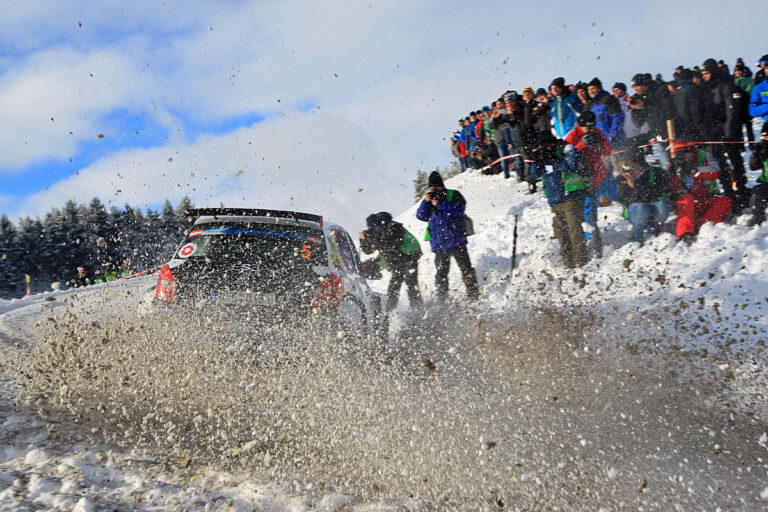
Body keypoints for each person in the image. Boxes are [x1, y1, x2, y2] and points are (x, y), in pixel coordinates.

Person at [416, 171, 479, 302]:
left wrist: (439, 203)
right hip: (439, 244)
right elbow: (421, 216)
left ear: (441, 186)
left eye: (436, 187)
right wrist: (426, 202)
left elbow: (458, 210)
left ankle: (474, 295)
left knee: (466, 269)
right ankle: (442, 300)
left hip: (456, 240)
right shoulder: (429, 201)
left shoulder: (453, 194)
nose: (434, 190)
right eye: (431, 188)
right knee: (441, 274)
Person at [565, 111, 613, 257]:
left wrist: (601, 144)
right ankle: (591, 239)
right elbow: (568, 161)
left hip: (602, 175)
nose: (591, 131)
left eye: (592, 127)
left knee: (622, 194)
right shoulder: (572, 137)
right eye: (588, 128)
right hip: (585, 181)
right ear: (580, 125)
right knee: (590, 212)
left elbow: (608, 151)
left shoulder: (597, 132)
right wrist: (581, 145)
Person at [701, 58, 747, 208]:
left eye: (707, 73)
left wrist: (729, 133)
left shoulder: (726, 85)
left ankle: (742, 190)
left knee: (735, 162)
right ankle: (729, 193)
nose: (704, 76)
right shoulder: (708, 88)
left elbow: (731, 111)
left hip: (729, 133)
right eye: (703, 73)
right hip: (715, 134)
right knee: (720, 164)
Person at [667, 143, 733, 244]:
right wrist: (679, 184)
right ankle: (686, 233)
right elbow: (669, 189)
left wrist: (695, 170)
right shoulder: (674, 167)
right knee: (687, 199)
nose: (688, 154)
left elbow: (715, 172)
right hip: (686, 205)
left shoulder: (701, 159)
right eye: (685, 152)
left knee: (725, 201)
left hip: (703, 201)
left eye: (689, 151)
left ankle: (704, 225)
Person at [540, 138, 588, 268]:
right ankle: (569, 263)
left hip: (570, 196)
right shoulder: (544, 155)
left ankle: (581, 261)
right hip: (555, 200)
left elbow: (572, 166)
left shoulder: (567, 149)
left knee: (574, 230)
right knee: (561, 234)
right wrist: (538, 160)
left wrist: (554, 164)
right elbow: (534, 174)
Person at [360, 212, 423, 311]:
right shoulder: (379, 233)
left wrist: (372, 238)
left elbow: (389, 245)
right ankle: (389, 310)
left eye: (375, 227)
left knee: (411, 284)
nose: (375, 230)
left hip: (410, 257)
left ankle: (418, 310)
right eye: (373, 229)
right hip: (398, 261)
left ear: (380, 224)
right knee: (394, 287)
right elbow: (368, 250)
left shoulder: (395, 228)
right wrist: (363, 240)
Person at [616, 157, 671, 244]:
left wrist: (637, 187)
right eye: (626, 170)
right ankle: (636, 239)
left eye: (632, 170)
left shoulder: (654, 173)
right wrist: (631, 186)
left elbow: (657, 190)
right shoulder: (623, 179)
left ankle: (657, 230)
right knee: (641, 207)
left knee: (662, 206)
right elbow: (621, 197)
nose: (629, 173)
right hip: (636, 211)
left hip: (654, 206)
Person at [629, 72, 675, 169]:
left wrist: (646, 105)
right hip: (657, 134)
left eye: (637, 86)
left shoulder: (659, 90)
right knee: (667, 167)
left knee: (676, 163)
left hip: (670, 131)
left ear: (644, 84)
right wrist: (637, 109)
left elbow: (666, 110)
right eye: (633, 87)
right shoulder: (639, 97)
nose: (635, 90)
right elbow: (638, 123)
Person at [586, 77, 625, 148]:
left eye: (593, 89)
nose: (591, 91)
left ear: (599, 88)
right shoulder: (590, 104)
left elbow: (618, 117)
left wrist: (613, 134)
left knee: (622, 159)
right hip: (600, 143)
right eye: (589, 89)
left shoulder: (608, 99)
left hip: (615, 141)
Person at [612, 82, 649, 154]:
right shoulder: (614, 103)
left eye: (617, 90)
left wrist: (644, 131)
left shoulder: (631, 100)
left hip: (636, 133)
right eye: (614, 90)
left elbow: (641, 116)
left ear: (623, 90)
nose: (615, 92)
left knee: (638, 155)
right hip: (625, 134)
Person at [748, 123, 768, 226]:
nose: (766, 139)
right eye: (764, 137)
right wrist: (755, 154)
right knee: (757, 192)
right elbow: (753, 167)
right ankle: (758, 222)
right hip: (766, 182)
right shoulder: (764, 149)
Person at [733, 64, 755, 144]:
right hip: (738, 107)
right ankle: (741, 145)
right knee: (739, 128)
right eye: (736, 70)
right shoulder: (733, 80)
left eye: (739, 70)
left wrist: (741, 92)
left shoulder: (748, 80)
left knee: (749, 126)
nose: (737, 72)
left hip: (746, 105)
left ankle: (751, 143)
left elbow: (749, 91)